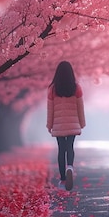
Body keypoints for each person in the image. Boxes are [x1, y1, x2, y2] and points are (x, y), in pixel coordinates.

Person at [46, 61, 86, 191]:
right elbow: (80, 107)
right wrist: (82, 123)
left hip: (58, 124)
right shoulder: (76, 88)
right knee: (70, 147)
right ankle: (70, 166)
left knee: (61, 149)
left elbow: (50, 109)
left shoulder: (52, 89)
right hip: (73, 123)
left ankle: (63, 179)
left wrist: (49, 125)